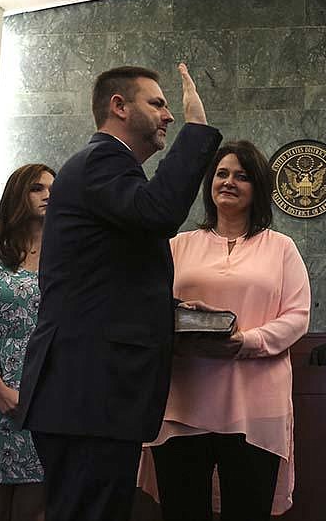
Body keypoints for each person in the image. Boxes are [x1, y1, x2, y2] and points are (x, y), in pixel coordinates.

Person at [17, 64, 222, 521]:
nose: (168, 115)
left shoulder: (107, 170)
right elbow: (158, 212)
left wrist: (175, 312)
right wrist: (198, 128)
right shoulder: (102, 161)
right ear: (118, 106)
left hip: (91, 394)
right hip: (88, 391)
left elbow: (102, 281)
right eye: (157, 103)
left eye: (169, 107)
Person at [141, 140, 310, 521]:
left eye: (242, 176)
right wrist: (180, 315)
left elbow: (297, 316)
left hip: (255, 404)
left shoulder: (281, 248)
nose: (229, 182)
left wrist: (244, 342)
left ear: (258, 188)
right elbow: (147, 308)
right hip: (184, 399)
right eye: (221, 173)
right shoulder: (178, 245)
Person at [0, 164, 54, 521]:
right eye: (37, 188)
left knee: (35, 509)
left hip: (47, 393)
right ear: (19, 195)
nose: (49, 194)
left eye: (54, 188)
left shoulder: (66, 260)